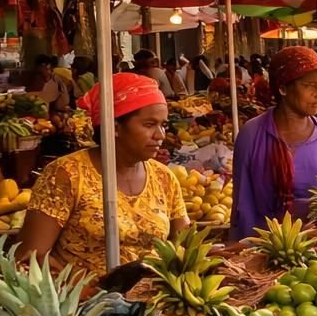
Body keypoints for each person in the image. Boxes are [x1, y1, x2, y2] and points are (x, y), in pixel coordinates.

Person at [17, 73, 190, 278]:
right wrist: (85, 290)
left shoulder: (164, 178)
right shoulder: (66, 174)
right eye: (149, 124)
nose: (160, 135)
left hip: (152, 300)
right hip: (83, 304)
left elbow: (186, 244)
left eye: (163, 124)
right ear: (115, 127)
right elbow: (30, 256)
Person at [230, 47, 317, 240]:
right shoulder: (251, 135)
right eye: (310, 85)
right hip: (264, 250)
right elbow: (242, 205)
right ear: (283, 88)